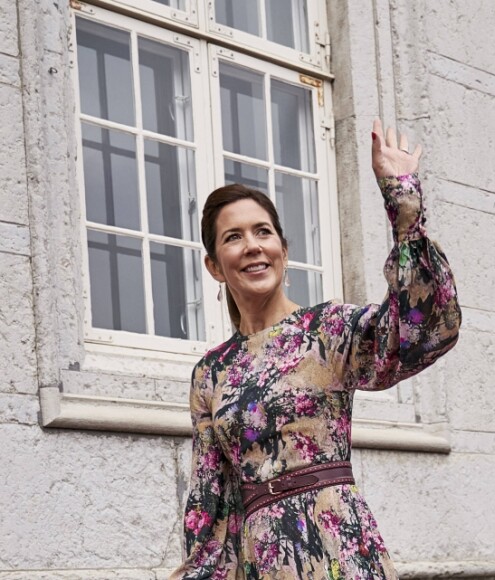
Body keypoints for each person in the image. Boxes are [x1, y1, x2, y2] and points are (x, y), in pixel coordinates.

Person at [169, 119, 461, 580]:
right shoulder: (211, 373)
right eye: (233, 237)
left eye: (263, 232)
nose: (252, 247)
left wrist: (404, 203)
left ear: (283, 248)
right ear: (214, 266)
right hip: (263, 562)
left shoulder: (327, 330)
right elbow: (211, 503)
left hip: (340, 549)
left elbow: (423, 330)